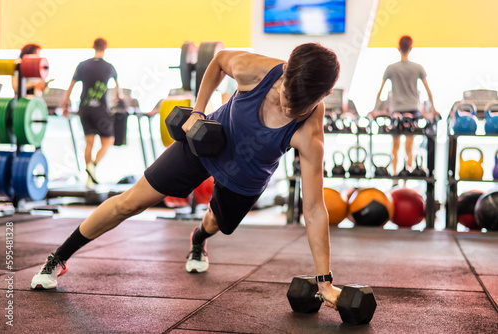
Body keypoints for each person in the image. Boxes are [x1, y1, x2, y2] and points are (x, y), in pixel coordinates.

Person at [31, 43, 343, 310]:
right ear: (286, 69)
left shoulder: (310, 133)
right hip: (206, 142)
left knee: (217, 223)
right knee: (130, 202)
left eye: (299, 105)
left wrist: (325, 282)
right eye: (287, 94)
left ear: (324, 96)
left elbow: (314, 209)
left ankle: (198, 238)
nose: (289, 106)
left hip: (245, 176)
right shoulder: (255, 69)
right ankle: (59, 257)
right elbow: (219, 61)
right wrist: (198, 110)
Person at [61, 38, 121, 186]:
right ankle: (92, 167)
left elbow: (71, 86)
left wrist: (65, 104)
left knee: (89, 143)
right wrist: (118, 98)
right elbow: (118, 92)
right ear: (105, 48)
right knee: (108, 141)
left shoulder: (82, 65)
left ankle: (89, 178)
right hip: (100, 110)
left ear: (93, 46)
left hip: (85, 108)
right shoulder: (110, 67)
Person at [375, 35, 436, 175]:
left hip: (396, 110)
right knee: (409, 147)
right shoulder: (418, 68)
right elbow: (429, 91)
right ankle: (407, 180)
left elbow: (380, 92)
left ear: (398, 47)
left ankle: (395, 177)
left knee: (395, 146)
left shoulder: (391, 68)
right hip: (412, 110)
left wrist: (374, 110)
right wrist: (433, 109)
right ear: (411, 48)